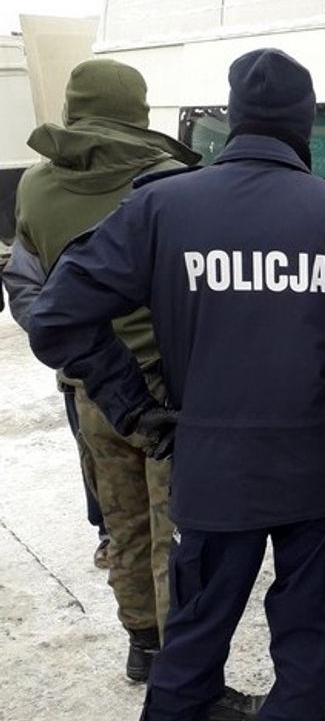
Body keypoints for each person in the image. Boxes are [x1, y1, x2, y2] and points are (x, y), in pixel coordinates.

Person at [27, 48, 325, 721]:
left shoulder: (162, 208)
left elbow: (56, 317)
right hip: (314, 470)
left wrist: (133, 406)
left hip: (211, 470)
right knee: (306, 651)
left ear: (234, 120)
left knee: (190, 651)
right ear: (303, 122)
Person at [13, 59, 200, 681]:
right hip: (168, 387)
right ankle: (183, 665)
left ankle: (142, 646)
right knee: (177, 531)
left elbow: (28, 285)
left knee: (122, 522)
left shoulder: (34, 187)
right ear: (138, 110)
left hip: (89, 388)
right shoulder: (169, 182)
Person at [2, 239, 111, 568]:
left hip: (158, 365)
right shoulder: (40, 192)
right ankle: (108, 530)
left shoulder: (154, 193)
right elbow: (24, 281)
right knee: (94, 454)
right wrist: (56, 336)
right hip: (83, 372)